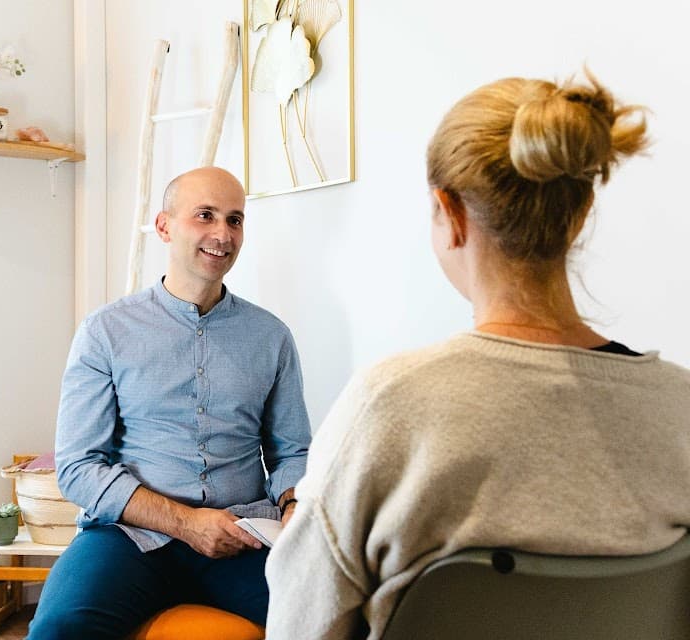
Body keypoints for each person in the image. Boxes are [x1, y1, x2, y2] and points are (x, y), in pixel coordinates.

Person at [264, 71, 690, 639]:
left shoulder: (389, 406)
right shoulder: (679, 408)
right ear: (582, 210)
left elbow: (299, 626)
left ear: (451, 215)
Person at [27, 167, 311, 639]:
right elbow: (78, 467)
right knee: (59, 628)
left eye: (235, 219)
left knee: (330, 616)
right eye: (205, 216)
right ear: (164, 226)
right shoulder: (105, 331)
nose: (223, 234)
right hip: (127, 536)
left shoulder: (271, 337)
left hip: (242, 536)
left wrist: (294, 502)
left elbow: (292, 452)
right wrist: (186, 523)